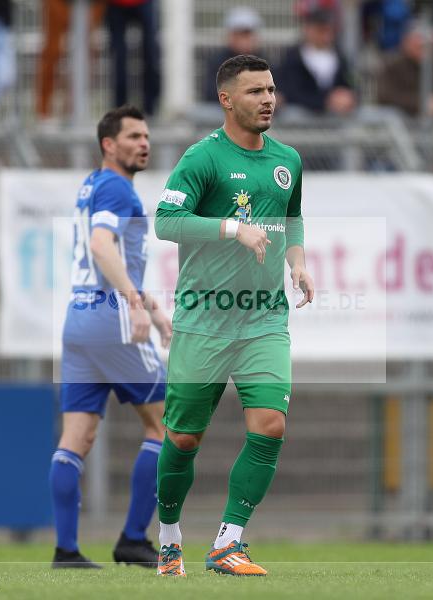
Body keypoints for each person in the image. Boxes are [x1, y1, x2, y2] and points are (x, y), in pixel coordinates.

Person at [153, 54, 315, 577]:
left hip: (264, 319)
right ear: (226, 99)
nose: (267, 99)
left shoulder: (288, 158)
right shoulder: (203, 159)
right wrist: (231, 228)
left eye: (270, 89)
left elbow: (291, 217)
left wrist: (298, 262)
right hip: (204, 318)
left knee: (270, 424)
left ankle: (229, 541)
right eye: (254, 92)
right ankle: (170, 537)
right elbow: (166, 221)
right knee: (183, 438)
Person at [52, 105, 172, 569]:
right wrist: (135, 304)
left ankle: (66, 552)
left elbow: (110, 253)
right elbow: (103, 246)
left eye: (146, 136)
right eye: (134, 136)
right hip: (111, 320)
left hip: (80, 318)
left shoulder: (92, 185)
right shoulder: (117, 188)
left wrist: (155, 309)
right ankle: (133, 540)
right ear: (109, 144)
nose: (144, 143)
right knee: (169, 424)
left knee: (77, 437)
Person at [277, 3, 357, 116]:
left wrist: (348, 97)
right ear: (308, 29)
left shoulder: (340, 56)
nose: (326, 36)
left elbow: (351, 83)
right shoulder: (293, 56)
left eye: (329, 31)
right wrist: (326, 101)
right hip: (300, 122)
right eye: (321, 31)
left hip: (334, 122)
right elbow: (289, 91)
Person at [35, 0, 105, 122]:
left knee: (87, 56)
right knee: (53, 51)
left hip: (91, 4)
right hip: (59, 3)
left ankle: (73, 109)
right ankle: (43, 112)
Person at [376, 21, 433, 119]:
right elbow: (384, 96)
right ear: (407, 42)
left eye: (431, 45)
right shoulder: (392, 65)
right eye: (421, 44)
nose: (427, 49)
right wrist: (422, 103)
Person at [106, 0, 160, 115]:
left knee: (151, 52)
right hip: (116, 4)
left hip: (145, 3)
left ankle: (151, 108)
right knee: (118, 57)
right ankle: (120, 109)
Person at [201, 7, 263, 102]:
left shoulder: (264, 61)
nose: (245, 39)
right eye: (240, 34)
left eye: (248, 34)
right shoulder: (217, 61)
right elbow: (211, 93)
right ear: (230, 36)